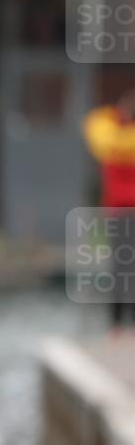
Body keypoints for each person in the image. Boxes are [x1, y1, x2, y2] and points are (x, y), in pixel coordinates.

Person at [83, 91, 135, 336]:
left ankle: (116, 326)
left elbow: (95, 125)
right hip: (121, 213)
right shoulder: (116, 139)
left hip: (117, 214)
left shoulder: (108, 139)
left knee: (120, 267)